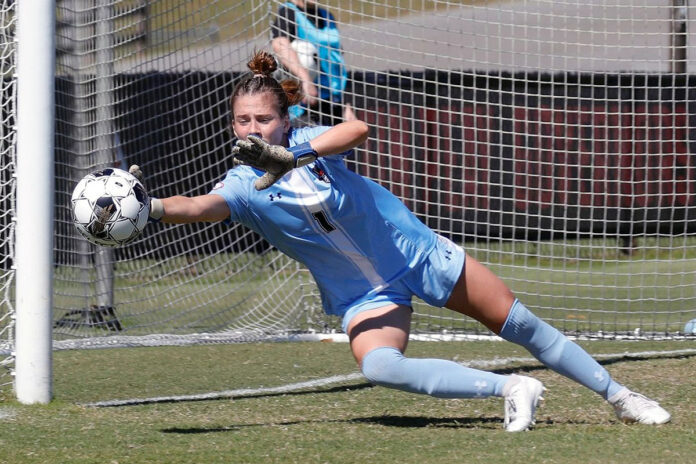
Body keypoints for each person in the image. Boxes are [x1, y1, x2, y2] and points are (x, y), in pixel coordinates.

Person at [136, 50, 671, 432]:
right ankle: (511, 389)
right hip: (364, 296)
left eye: (263, 119)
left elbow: (356, 130)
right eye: (242, 121)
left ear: (285, 119)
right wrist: (152, 209)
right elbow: (199, 207)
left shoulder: (308, 142)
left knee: (523, 325)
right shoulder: (241, 185)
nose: (252, 129)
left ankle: (622, 396)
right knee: (379, 366)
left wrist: (294, 155)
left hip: (417, 254)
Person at [271, 0, 356, 125]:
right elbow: (280, 44)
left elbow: (337, 61)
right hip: (306, 104)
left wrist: (346, 105)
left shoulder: (327, 15)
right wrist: (305, 79)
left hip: (333, 100)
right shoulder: (288, 12)